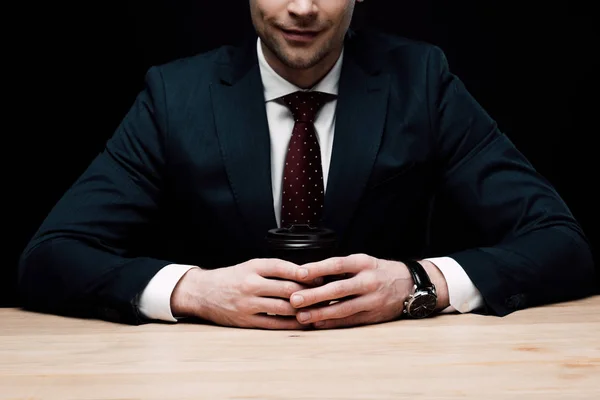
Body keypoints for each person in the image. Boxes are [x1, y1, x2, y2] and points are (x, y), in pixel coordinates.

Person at [18, 0, 596, 329]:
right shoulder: (176, 95)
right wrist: (193, 290)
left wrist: (420, 284)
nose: (301, 8)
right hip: (212, 382)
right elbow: (50, 257)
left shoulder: (421, 79)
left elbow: (560, 243)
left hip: (397, 379)